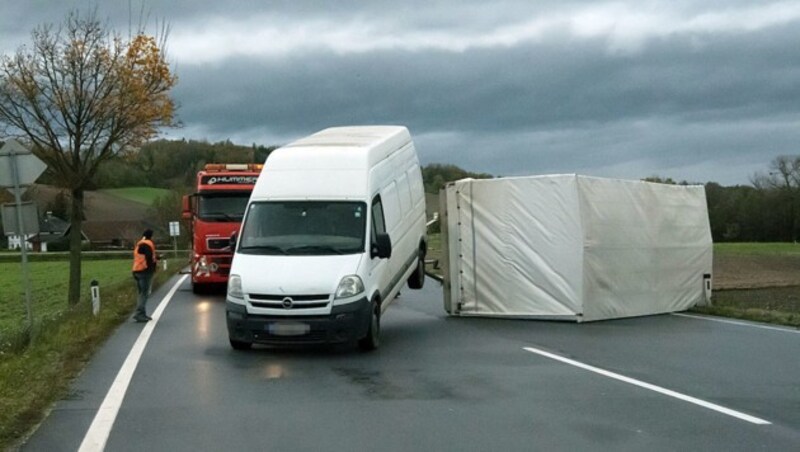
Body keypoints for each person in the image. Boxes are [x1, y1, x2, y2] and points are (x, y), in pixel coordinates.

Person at [132, 229, 158, 322]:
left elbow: (142, 257)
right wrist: (152, 269)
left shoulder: (139, 244)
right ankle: (139, 314)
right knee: (144, 294)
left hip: (136, 271)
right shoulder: (148, 244)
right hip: (145, 272)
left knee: (141, 293)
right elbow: (149, 258)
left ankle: (141, 313)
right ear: (151, 236)